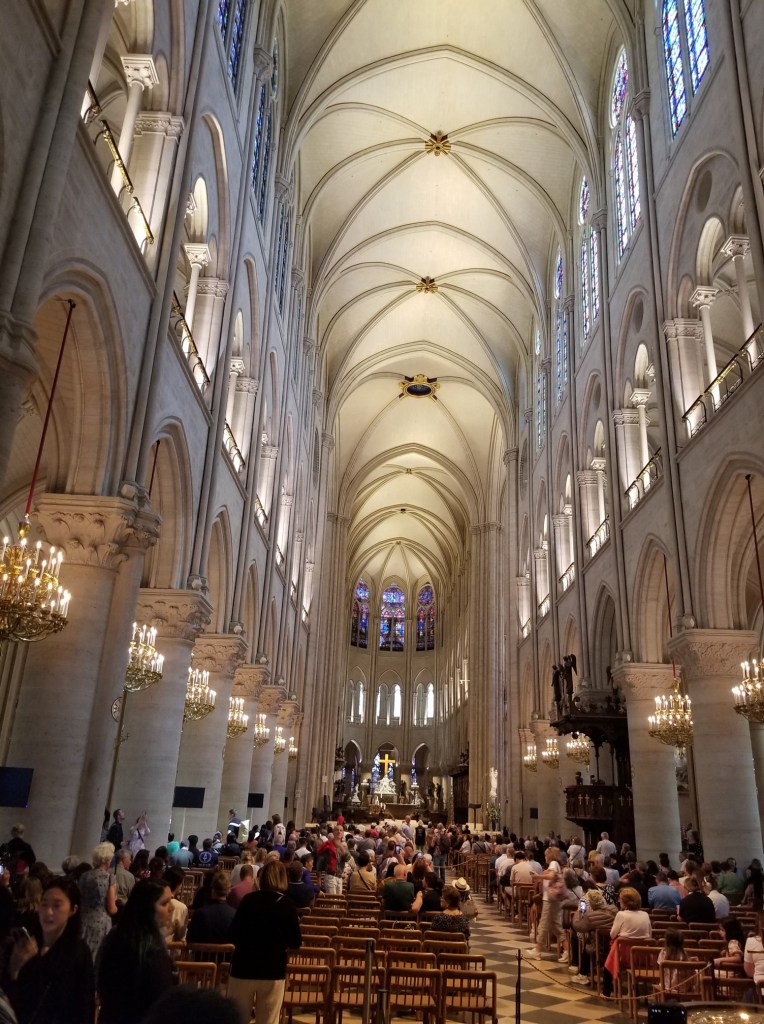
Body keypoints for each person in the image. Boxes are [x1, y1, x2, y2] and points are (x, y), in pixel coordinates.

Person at [4, 875, 95, 1024]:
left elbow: (83, 1008)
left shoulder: (78, 952)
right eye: (44, 904)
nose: (49, 912)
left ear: (73, 909)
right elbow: (13, 1000)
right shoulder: (28, 946)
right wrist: (14, 969)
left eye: (57, 905)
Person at [228, 860, 302, 1024]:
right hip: (272, 969)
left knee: (237, 1018)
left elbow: (233, 933)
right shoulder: (287, 905)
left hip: (243, 966)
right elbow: (296, 941)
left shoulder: (248, 900)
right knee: (268, 1020)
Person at [97, 879, 175, 1024]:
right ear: (147, 907)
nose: (171, 908)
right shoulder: (150, 948)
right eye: (164, 903)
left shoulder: (117, 933)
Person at [77, 842, 117, 961]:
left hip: (83, 920)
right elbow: (111, 908)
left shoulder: (84, 875)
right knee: (96, 960)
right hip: (100, 925)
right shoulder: (109, 878)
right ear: (107, 859)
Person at [570, 887, 617, 985]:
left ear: (591, 903)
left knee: (586, 944)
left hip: (598, 947)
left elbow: (578, 926)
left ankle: (583, 974)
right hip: (613, 945)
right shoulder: (614, 909)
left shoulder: (591, 916)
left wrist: (578, 913)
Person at [525, 847, 563, 959]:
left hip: (550, 899)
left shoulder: (554, 863)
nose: (545, 857)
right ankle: (567, 951)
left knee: (543, 925)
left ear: (550, 855)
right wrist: (540, 876)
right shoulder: (553, 866)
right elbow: (549, 876)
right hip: (551, 898)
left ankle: (537, 950)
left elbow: (551, 876)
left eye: (546, 855)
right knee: (556, 926)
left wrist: (539, 876)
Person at [187, 871, 236, 943]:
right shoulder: (234, 914)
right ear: (228, 891)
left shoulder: (199, 913)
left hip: (201, 954)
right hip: (226, 954)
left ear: (213, 890)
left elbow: (190, 939)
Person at [658, 929, 692, 995]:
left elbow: (660, 972)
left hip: (667, 987)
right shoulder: (684, 954)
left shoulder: (663, 953)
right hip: (684, 989)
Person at [160, 867, 188, 942]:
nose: (171, 907)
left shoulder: (153, 899)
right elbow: (180, 935)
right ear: (178, 884)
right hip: (168, 948)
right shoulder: (180, 907)